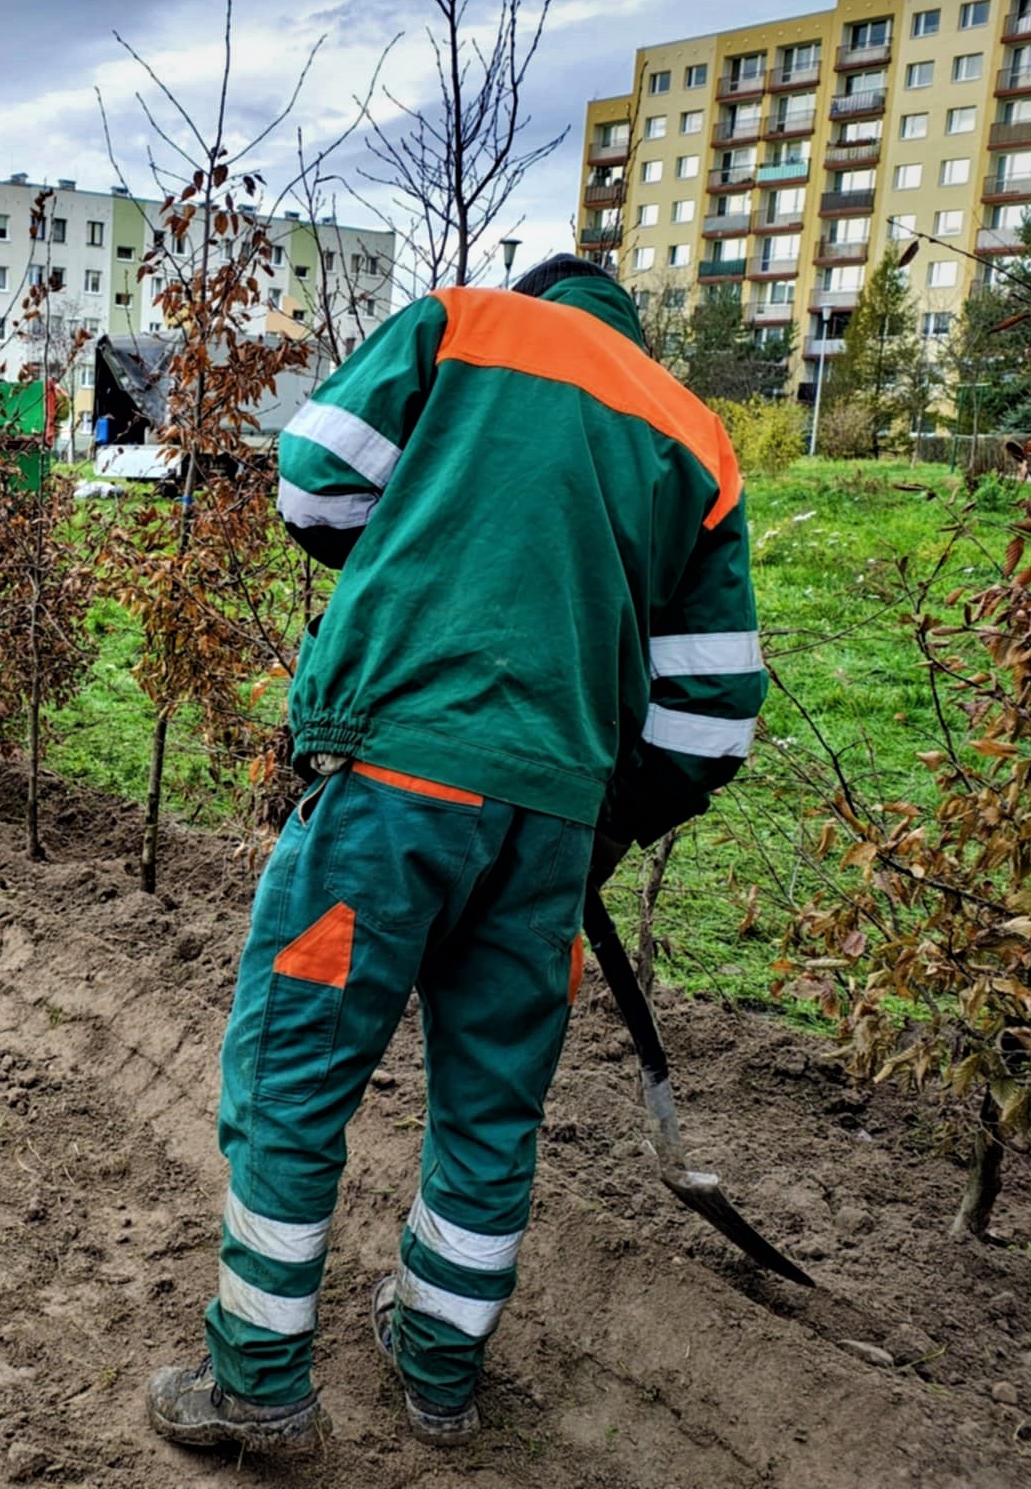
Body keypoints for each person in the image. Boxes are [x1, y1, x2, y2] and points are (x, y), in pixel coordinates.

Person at [148, 255, 763, 1454]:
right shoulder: (696, 434)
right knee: (491, 1110)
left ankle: (259, 1387)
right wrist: (599, 823)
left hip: (390, 796)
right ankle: (436, 1376)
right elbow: (709, 715)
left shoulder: (463, 327)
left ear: (533, 293)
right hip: (549, 830)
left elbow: (317, 489)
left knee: (295, 1079)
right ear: (625, 325)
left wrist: (422, 556)